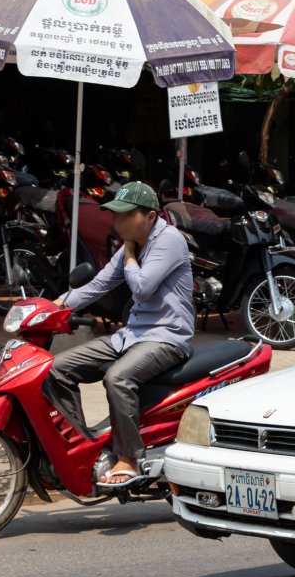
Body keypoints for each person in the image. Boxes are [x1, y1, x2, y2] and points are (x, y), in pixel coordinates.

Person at [48, 181, 193, 488]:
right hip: (131, 334)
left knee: (118, 378)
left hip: (167, 336)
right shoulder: (131, 243)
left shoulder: (169, 240)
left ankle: (129, 458)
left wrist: (128, 257)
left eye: (126, 215)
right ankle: (80, 448)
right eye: (116, 214)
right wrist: (55, 306)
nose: (118, 221)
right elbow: (98, 285)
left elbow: (142, 287)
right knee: (57, 369)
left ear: (150, 216)